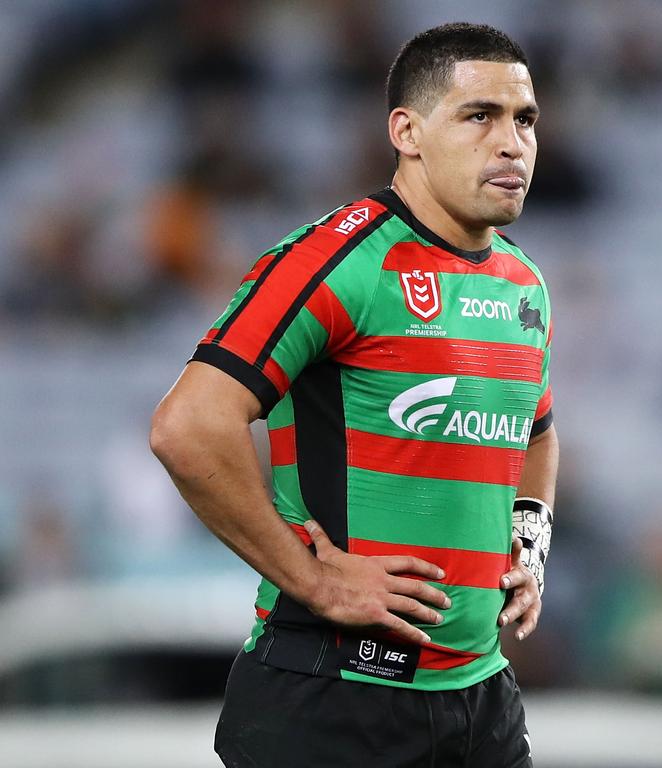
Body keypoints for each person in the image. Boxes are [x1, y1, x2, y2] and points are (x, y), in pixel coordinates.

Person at [150, 22, 557, 768]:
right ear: (407, 130)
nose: (512, 142)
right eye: (480, 116)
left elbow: (536, 430)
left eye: (524, 118)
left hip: (481, 702)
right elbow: (188, 428)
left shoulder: (524, 283)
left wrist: (529, 542)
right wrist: (312, 578)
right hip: (332, 699)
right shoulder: (336, 262)